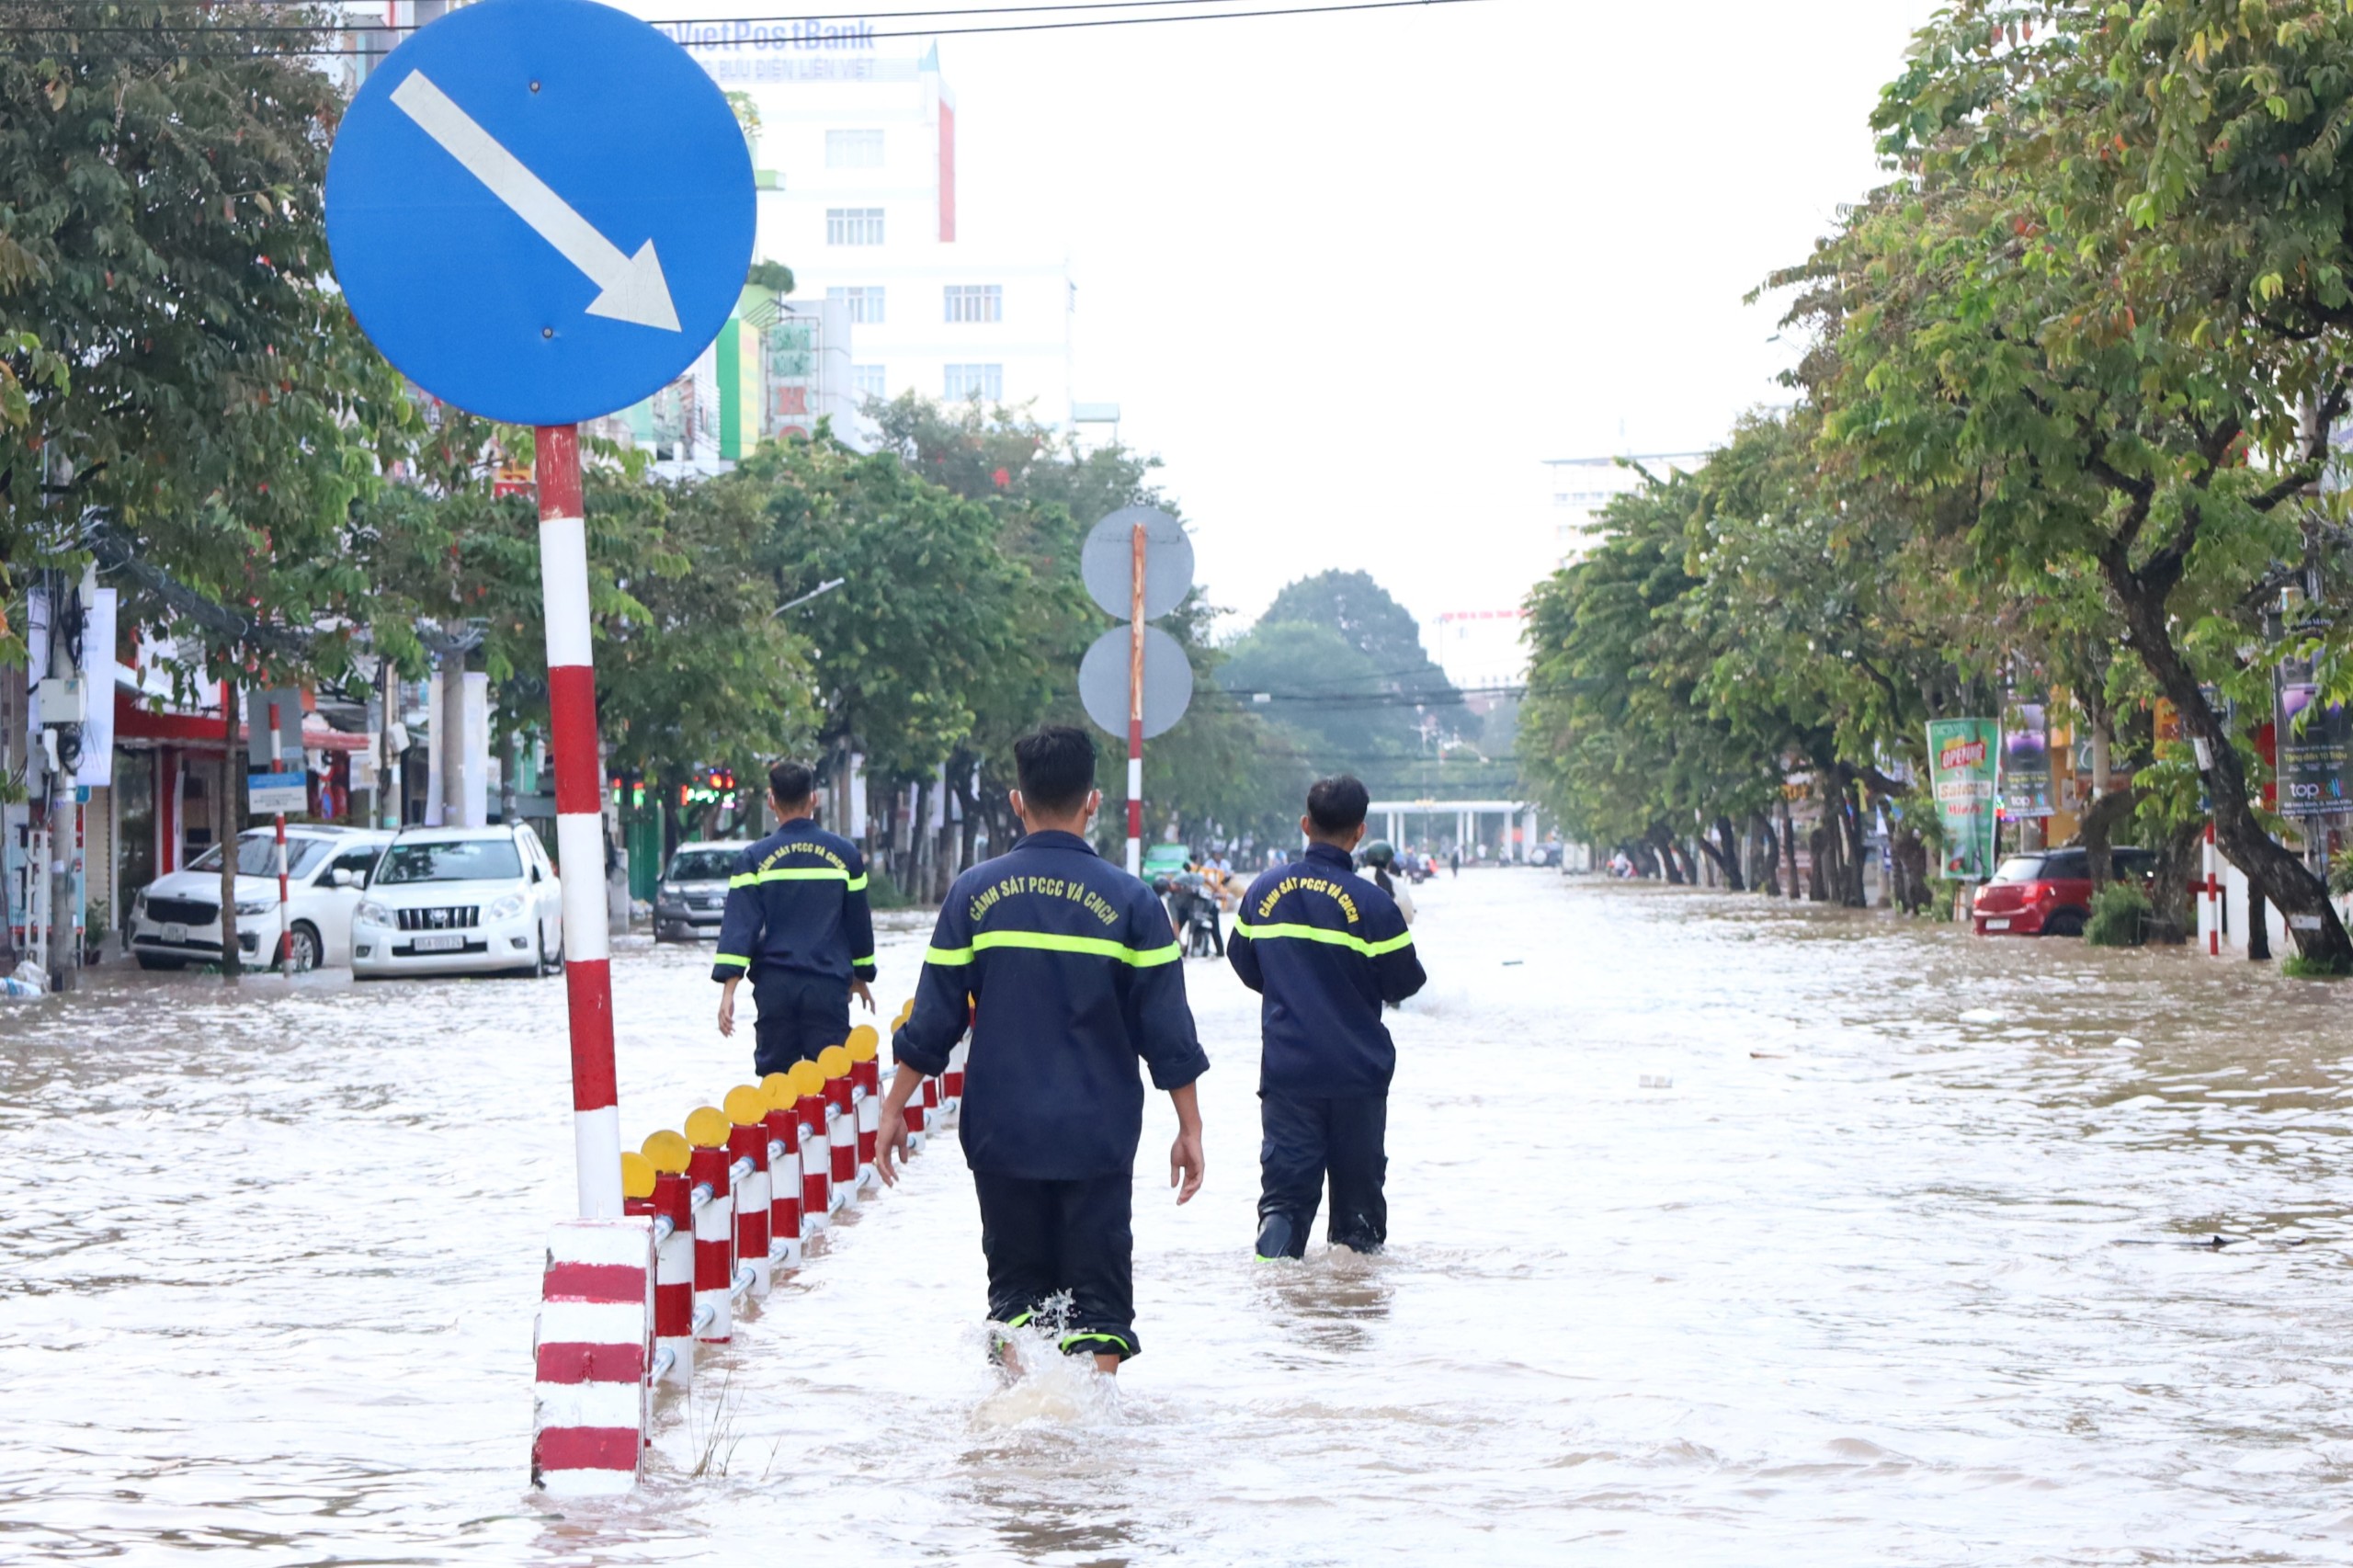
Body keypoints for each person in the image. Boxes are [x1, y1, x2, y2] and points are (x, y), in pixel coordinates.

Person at [876, 725, 1208, 1373]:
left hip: (1003, 1136)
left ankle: (1019, 1439)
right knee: (1099, 1310)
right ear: (1094, 801)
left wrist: (894, 1108)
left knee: (1016, 1299)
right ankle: (1084, 1449)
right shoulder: (1134, 903)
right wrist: (1189, 1127)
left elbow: (932, 1022)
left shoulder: (974, 894)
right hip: (1098, 1138)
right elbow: (1168, 1034)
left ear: (1015, 802)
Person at [1228, 776, 1427, 1261]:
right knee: (1358, 1225)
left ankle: (1275, 1308)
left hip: (1289, 1076)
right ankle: (1350, 1312)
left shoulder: (1264, 891)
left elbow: (1240, 958)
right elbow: (1405, 983)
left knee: (1282, 1207)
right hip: (1358, 1077)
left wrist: (1289, 991)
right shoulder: (1375, 905)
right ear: (1359, 832)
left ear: (1304, 824)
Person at [712, 759, 877, 1074]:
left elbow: (739, 929)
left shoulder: (754, 859)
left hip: (775, 989)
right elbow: (858, 925)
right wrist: (861, 976)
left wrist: (728, 992)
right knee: (832, 1079)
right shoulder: (845, 857)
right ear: (814, 798)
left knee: (777, 1089)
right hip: (827, 987)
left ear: (772, 800)